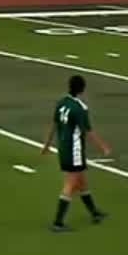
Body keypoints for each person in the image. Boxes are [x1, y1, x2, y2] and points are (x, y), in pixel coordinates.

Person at [41, 74, 110, 232]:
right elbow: (88, 132)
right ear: (82, 89)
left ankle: (94, 212)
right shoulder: (79, 108)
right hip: (74, 151)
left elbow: (54, 124)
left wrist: (47, 145)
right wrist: (103, 147)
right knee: (70, 185)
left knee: (81, 181)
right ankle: (58, 222)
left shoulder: (61, 103)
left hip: (63, 149)